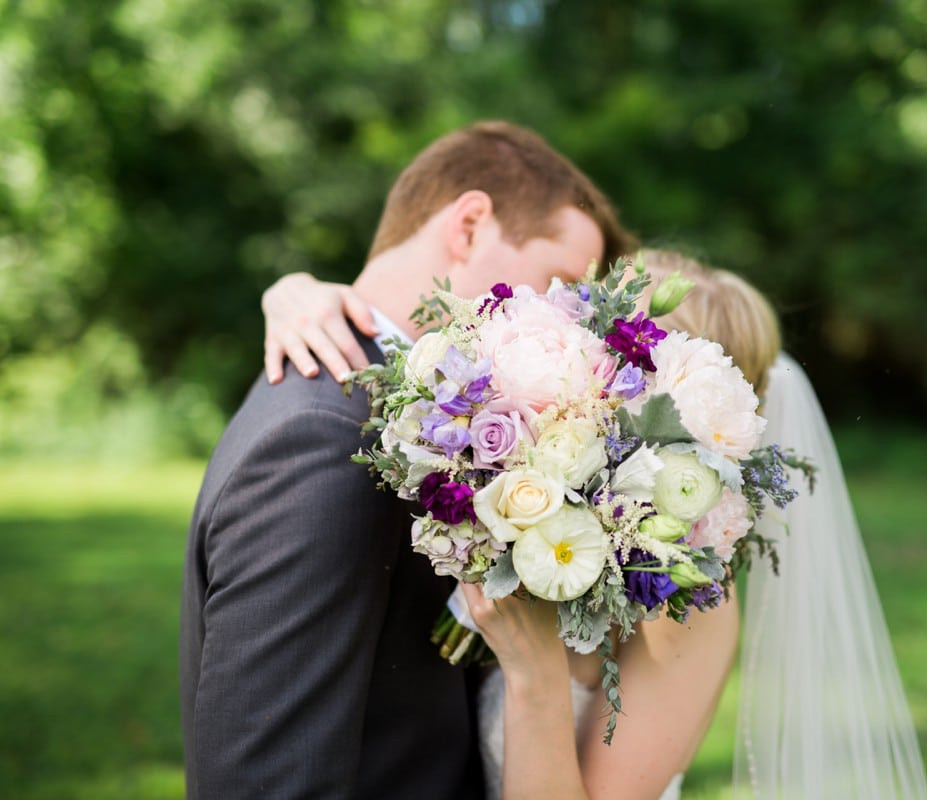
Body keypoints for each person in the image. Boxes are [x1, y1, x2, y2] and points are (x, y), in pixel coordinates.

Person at [260, 252, 927, 799]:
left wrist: (538, 678)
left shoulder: (691, 607)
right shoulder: (551, 488)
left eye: (610, 355)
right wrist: (292, 290)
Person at [180, 120, 634, 800]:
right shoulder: (321, 437)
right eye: (558, 282)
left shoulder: (427, 422)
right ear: (471, 225)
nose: (566, 323)